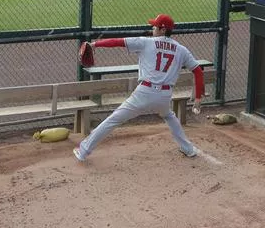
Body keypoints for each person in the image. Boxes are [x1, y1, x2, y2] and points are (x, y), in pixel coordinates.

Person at [73, 14, 206, 162]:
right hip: (165, 95)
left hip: (145, 93)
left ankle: (83, 150)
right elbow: (198, 71)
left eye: (155, 26)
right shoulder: (181, 50)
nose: (152, 28)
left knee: (114, 120)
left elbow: (118, 42)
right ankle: (188, 149)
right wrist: (198, 97)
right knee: (168, 116)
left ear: (163, 30)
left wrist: (95, 44)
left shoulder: (146, 42)